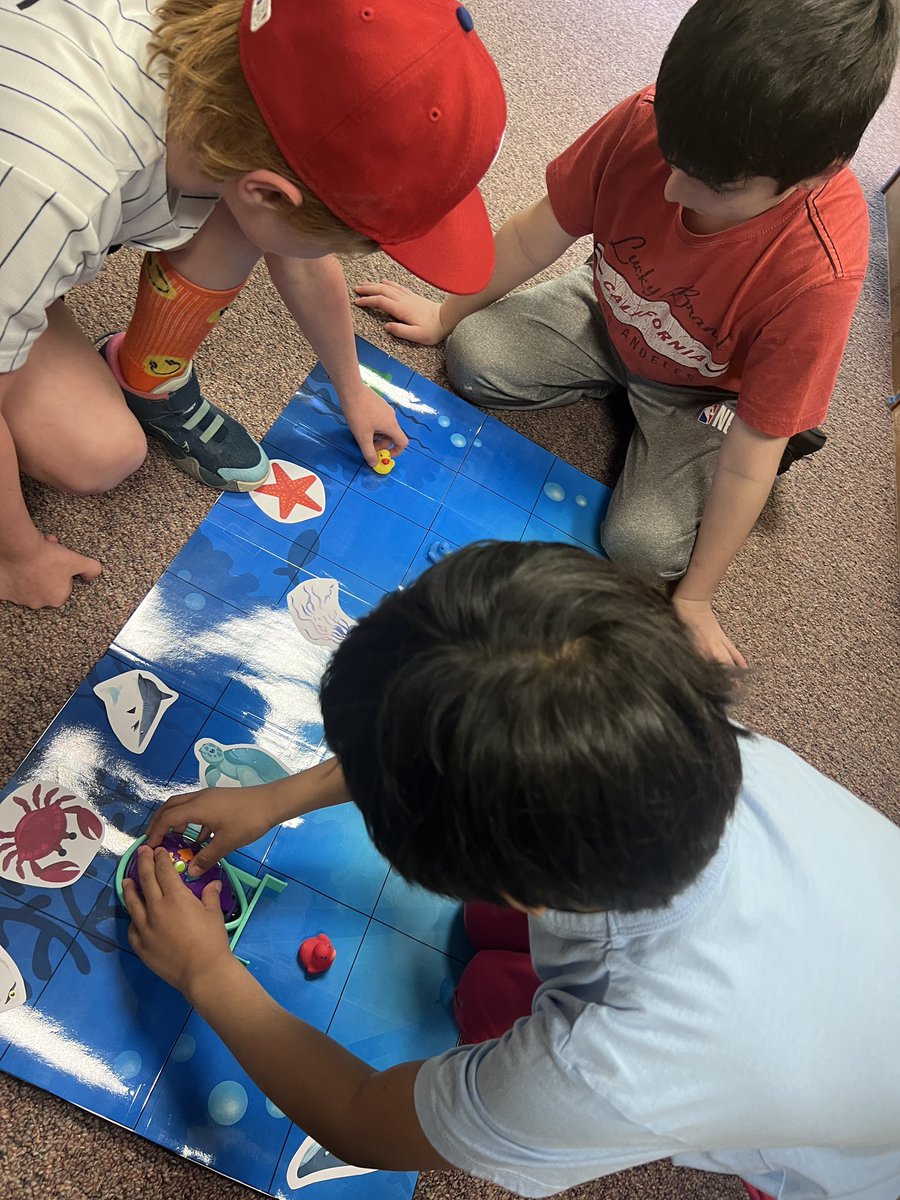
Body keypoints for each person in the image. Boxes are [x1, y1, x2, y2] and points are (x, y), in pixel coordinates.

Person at [127, 541, 900, 1200]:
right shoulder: (661, 715)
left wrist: (205, 970)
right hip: (824, 966)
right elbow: (465, 726)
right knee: (491, 986)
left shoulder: (617, 1070)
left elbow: (360, 1117)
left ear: (524, 887)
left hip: (854, 1154)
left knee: (497, 1014)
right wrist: (280, 794)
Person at [353, 0, 900, 669]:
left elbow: (758, 446)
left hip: (705, 396)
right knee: (471, 355)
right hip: (611, 309)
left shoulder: (819, 269)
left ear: (818, 172)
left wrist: (696, 598)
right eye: (671, 151)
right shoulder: (645, 119)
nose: (670, 187)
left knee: (642, 548)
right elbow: (536, 230)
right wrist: (446, 313)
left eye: (713, 185)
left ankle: (701, 451)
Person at [0, 0, 505, 609]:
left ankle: (134, 372)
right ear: (268, 190)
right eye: (352, 241)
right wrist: (17, 556)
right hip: (24, 207)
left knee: (255, 222)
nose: (348, 253)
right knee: (99, 455)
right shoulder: (53, 192)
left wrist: (351, 387)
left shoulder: (246, 63)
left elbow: (299, 249)